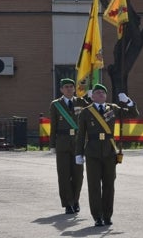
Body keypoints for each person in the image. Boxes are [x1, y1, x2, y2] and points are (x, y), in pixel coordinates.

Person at [74, 83, 139, 227]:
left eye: (103, 92)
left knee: (109, 185)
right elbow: (81, 135)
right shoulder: (86, 112)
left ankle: (107, 215)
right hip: (92, 152)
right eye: (98, 92)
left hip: (109, 152)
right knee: (94, 186)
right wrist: (79, 153)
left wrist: (128, 101)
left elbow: (133, 114)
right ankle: (97, 216)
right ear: (92, 97)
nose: (101, 94)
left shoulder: (113, 108)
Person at [50, 78, 88, 214]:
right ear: (61, 89)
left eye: (71, 86)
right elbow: (53, 126)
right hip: (62, 143)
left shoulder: (81, 102)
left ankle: (75, 200)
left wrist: (88, 93)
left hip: (78, 142)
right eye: (66, 87)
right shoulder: (56, 105)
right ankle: (68, 203)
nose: (69, 89)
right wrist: (52, 144)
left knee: (78, 175)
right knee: (64, 174)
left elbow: (92, 110)